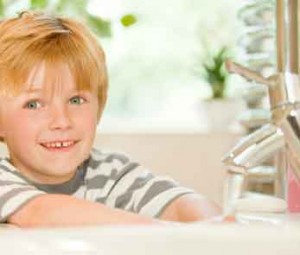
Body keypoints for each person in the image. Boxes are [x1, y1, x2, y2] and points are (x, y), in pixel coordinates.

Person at [0, 11, 221, 228]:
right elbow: (42, 213)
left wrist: (217, 226)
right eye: (34, 104)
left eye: (76, 100)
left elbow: (178, 202)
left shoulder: (111, 172)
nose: (62, 121)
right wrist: (165, 232)